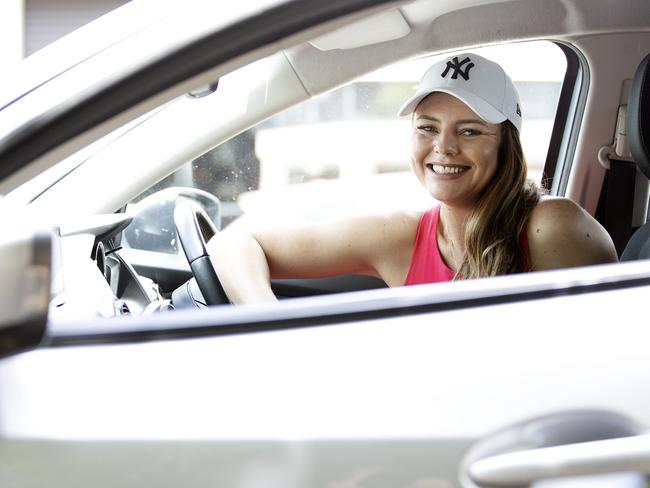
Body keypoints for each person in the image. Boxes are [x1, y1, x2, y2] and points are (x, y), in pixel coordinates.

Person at [207, 53, 618, 304]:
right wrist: (266, 316)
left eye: (470, 130)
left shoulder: (552, 226)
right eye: (427, 127)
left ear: (506, 144)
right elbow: (237, 241)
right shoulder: (401, 236)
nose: (444, 147)